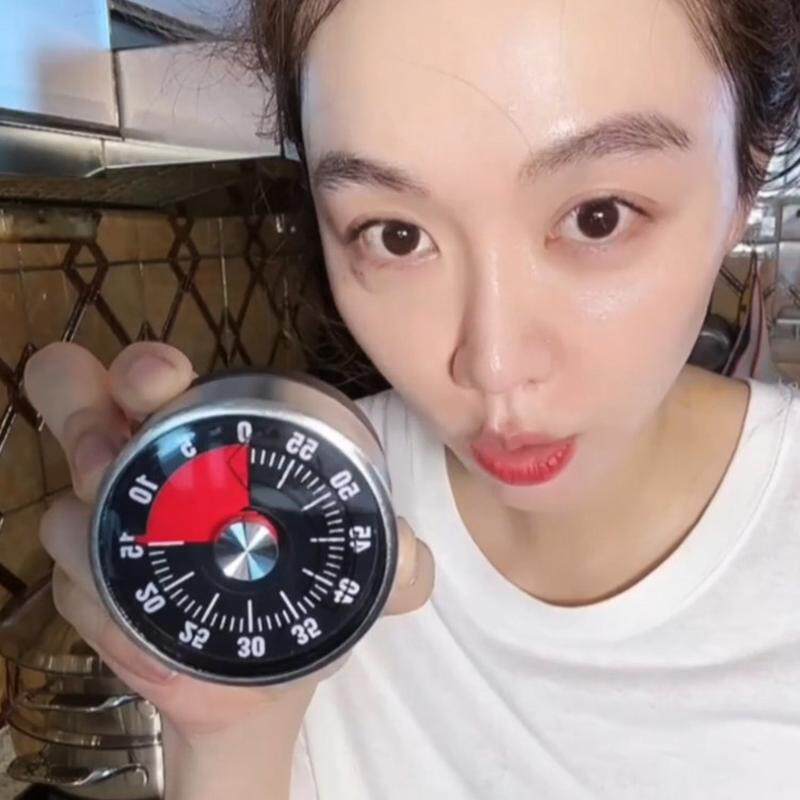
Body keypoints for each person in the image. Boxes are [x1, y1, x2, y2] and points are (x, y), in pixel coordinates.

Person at [23, 0, 800, 797]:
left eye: (598, 218)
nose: (492, 367)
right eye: (395, 234)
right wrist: (224, 730)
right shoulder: (292, 528)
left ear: (750, 170)